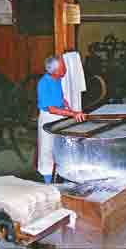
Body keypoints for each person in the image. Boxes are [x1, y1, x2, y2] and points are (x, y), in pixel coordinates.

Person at [37, 56, 86, 184]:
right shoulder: (44, 83)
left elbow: (60, 96)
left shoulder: (57, 79)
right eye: (63, 67)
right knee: (47, 150)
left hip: (59, 115)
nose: (65, 69)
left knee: (62, 147)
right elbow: (51, 109)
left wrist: (65, 103)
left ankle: (65, 177)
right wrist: (72, 113)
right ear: (54, 71)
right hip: (49, 118)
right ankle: (48, 182)